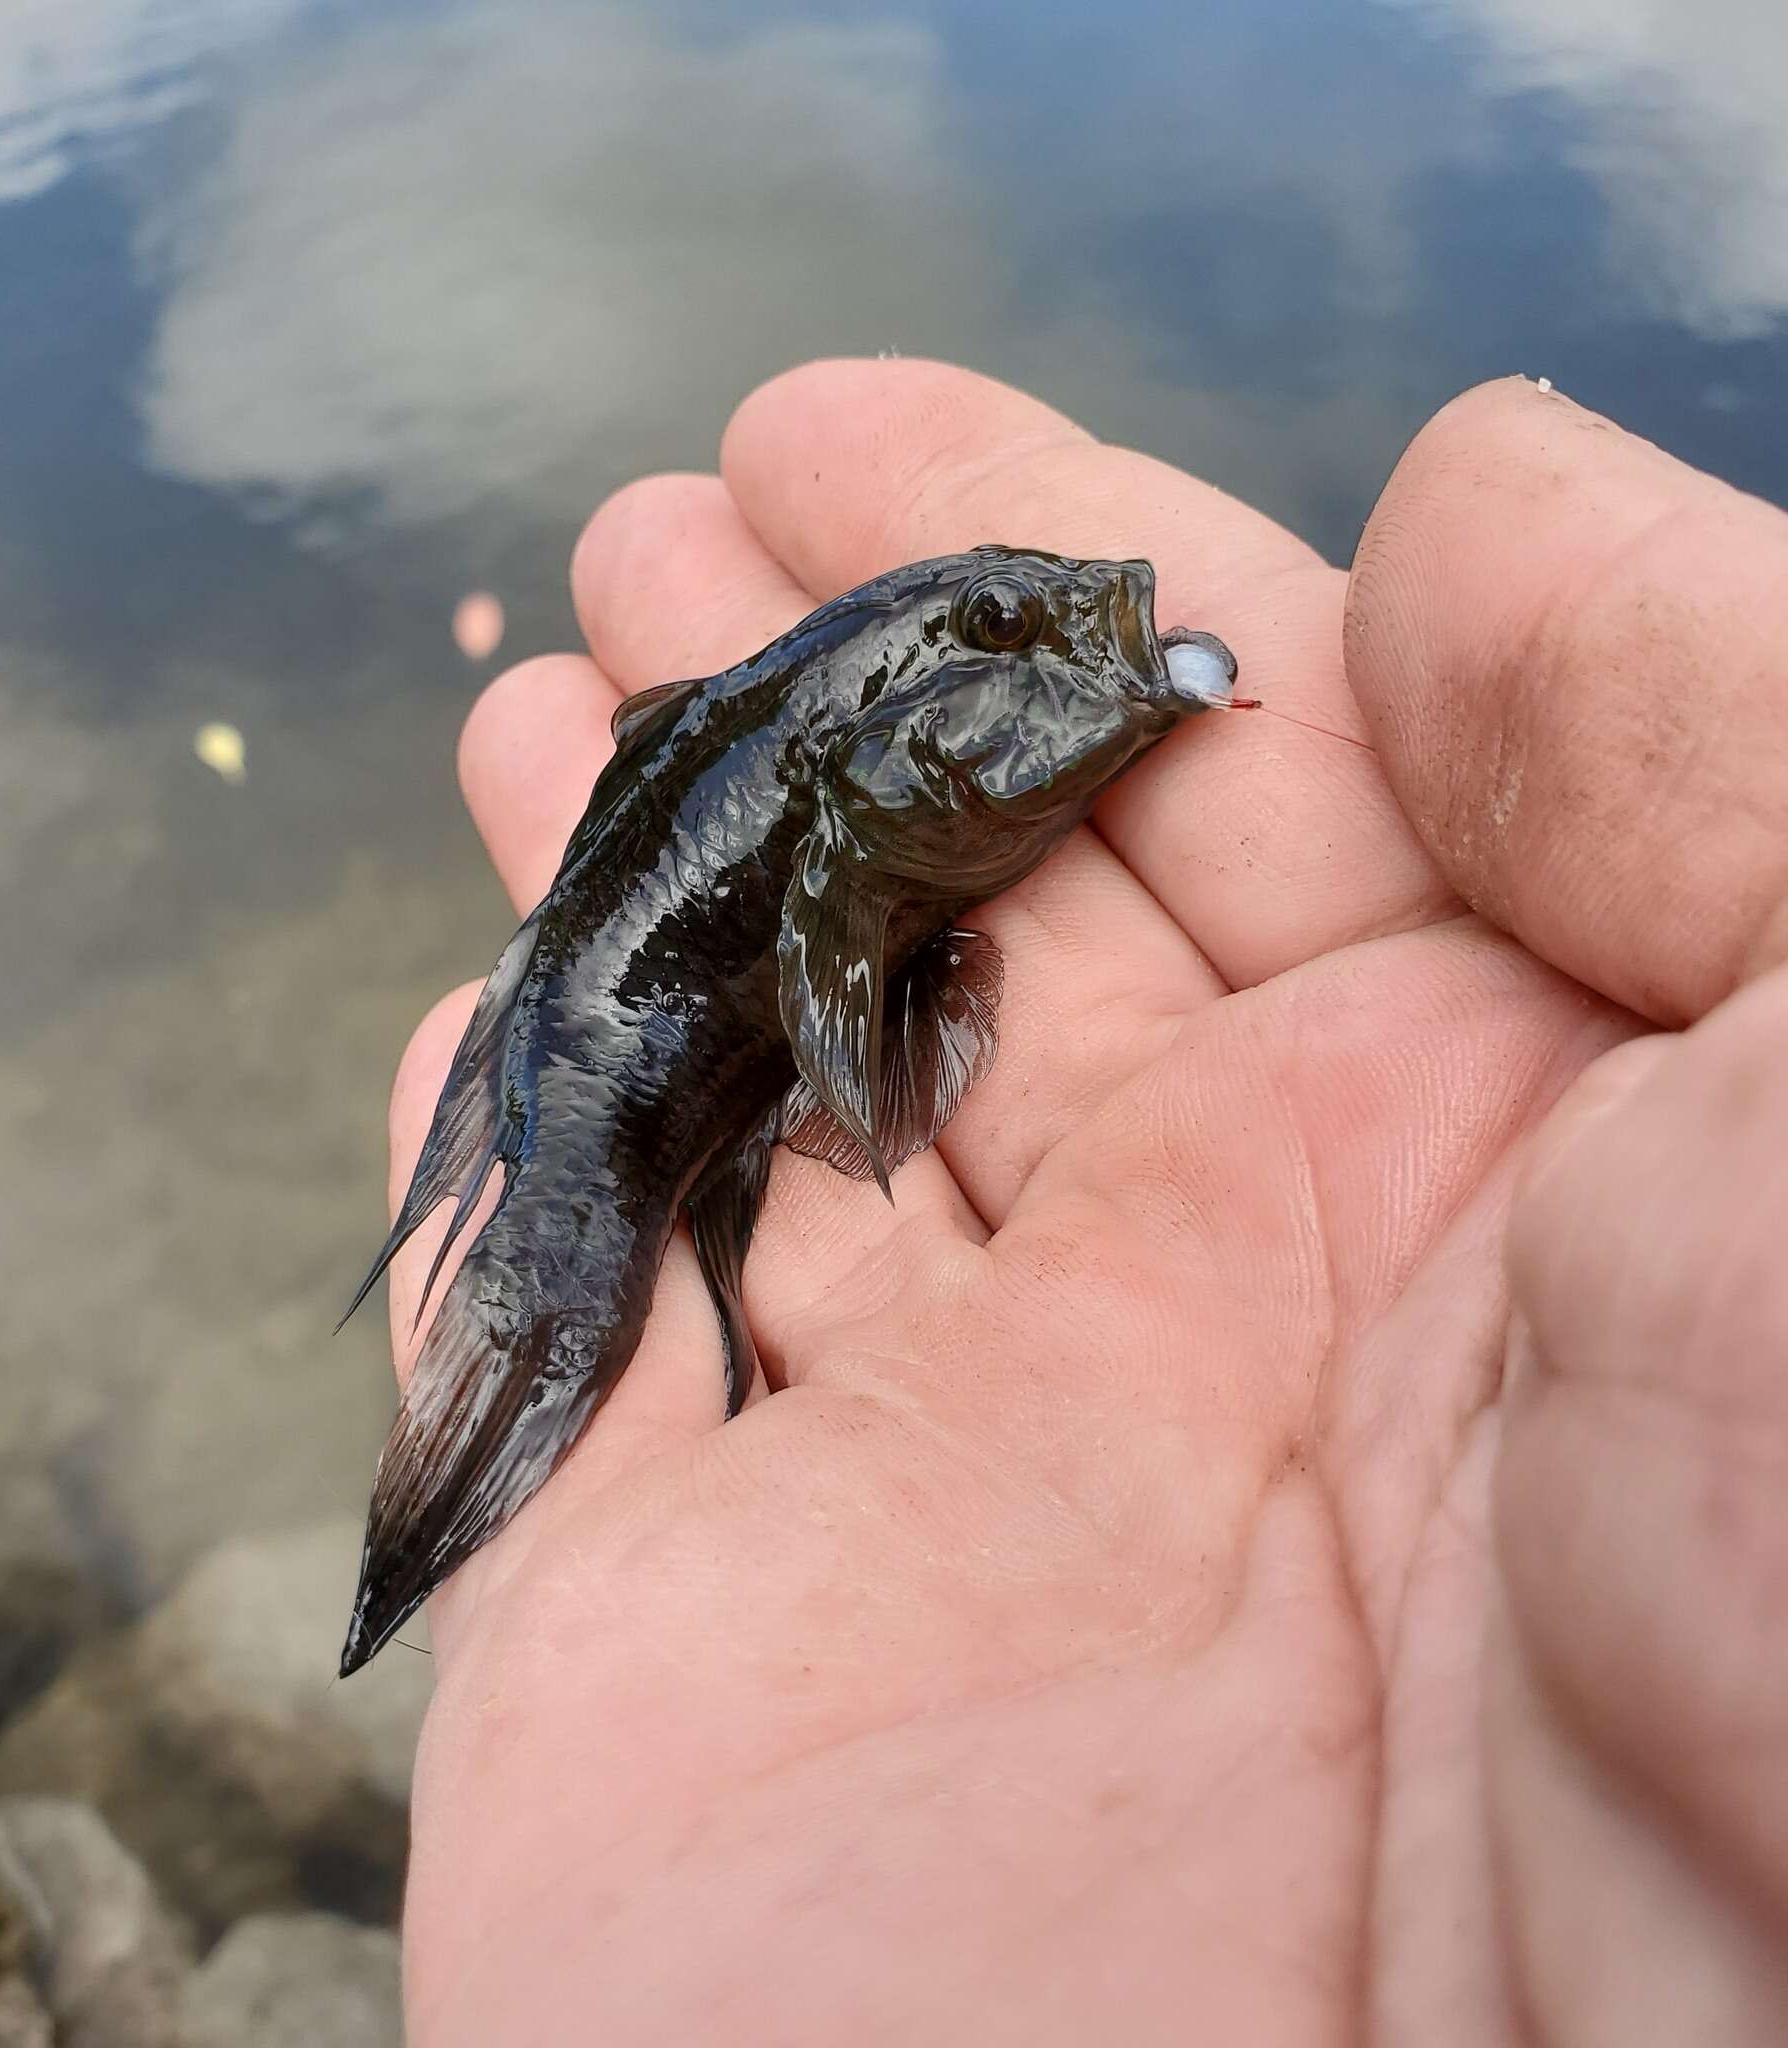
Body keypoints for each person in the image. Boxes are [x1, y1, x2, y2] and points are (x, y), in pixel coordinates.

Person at [383, 363, 1788, 2043]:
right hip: (647, 1029)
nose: (1090, 625)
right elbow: (809, 933)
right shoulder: (833, 817)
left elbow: (843, 946)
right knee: (575, 1266)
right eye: (1002, 632)